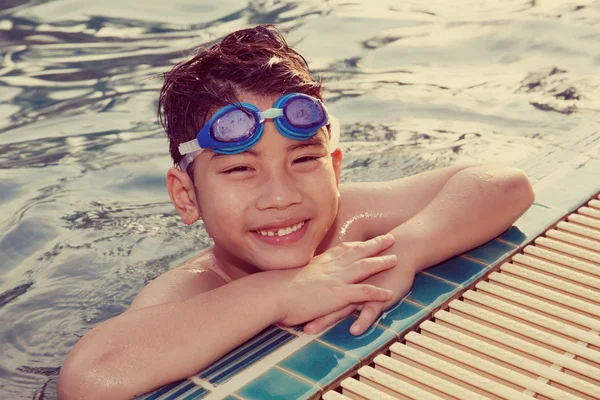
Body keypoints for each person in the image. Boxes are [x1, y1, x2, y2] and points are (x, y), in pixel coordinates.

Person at [57, 24, 534, 399]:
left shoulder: (350, 219)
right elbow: (89, 379)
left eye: (304, 160)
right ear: (187, 196)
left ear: (335, 169)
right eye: (241, 169)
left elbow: (504, 184)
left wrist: (406, 252)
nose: (280, 195)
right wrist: (280, 292)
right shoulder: (194, 288)